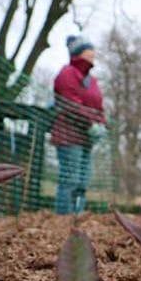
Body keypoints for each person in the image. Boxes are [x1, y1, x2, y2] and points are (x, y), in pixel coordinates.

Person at [51, 34, 106, 214]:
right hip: (68, 136)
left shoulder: (93, 81)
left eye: (93, 50)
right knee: (70, 179)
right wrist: (91, 122)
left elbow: (98, 105)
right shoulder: (66, 74)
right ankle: (63, 218)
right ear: (78, 52)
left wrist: (102, 123)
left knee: (83, 180)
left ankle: (78, 215)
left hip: (86, 138)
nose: (92, 53)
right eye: (88, 50)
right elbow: (71, 104)